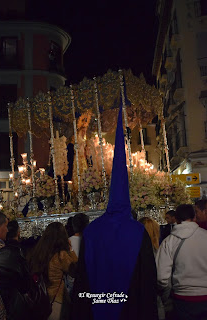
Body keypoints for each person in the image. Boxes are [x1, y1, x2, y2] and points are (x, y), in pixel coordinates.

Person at [71, 104, 158, 320]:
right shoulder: (138, 231)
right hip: (131, 308)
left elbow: (83, 278)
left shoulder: (92, 230)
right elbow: (147, 280)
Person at [156, 204, 207, 320]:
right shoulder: (205, 236)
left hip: (182, 300)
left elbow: (161, 277)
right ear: (194, 217)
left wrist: (165, 297)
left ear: (176, 219)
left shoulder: (168, 242)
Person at [29, 222, 78, 320]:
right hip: (56, 299)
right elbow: (75, 270)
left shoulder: (38, 253)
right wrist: (71, 250)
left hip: (39, 299)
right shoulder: (61, 255)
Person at [0, 211, 32, 320]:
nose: (7, 230)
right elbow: (25, 285)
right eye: (6, 226)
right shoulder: (8, 253)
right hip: (7, 311)